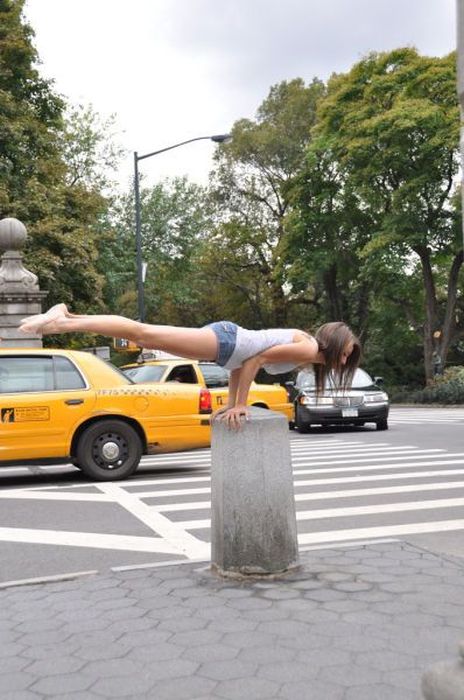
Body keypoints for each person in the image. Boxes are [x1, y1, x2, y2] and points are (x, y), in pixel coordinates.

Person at [19, 304, 361, 429]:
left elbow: (243, 365)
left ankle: (69, 317)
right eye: (345, 354)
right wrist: (240, 405)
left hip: (227, 346)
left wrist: (229, 407)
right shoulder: (308, 346)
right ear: (332, 343)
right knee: (144, 333)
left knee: (147, 335)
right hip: (226, 341)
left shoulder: (308, 353)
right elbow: (253, 360)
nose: (344, 361)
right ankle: (65, 320)